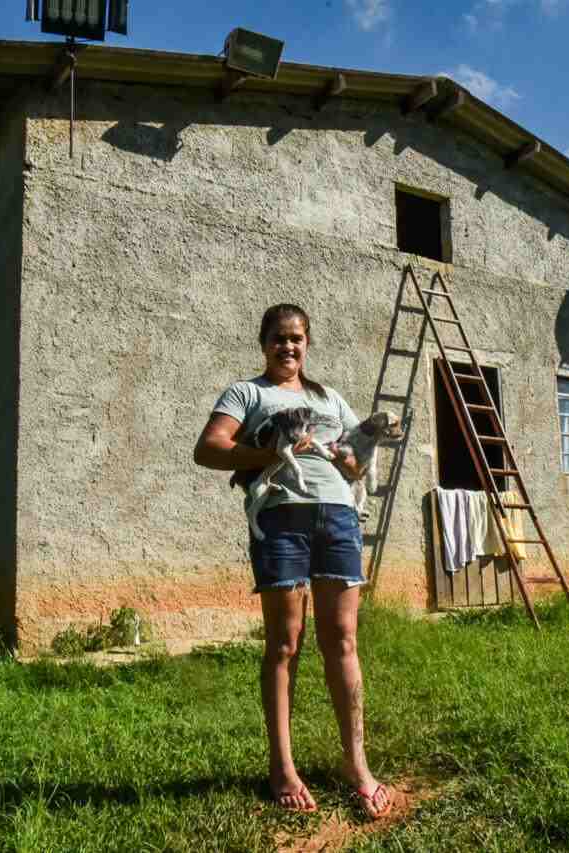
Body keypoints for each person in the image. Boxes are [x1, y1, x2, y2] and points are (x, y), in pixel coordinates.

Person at [193, 303, 392, 818]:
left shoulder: (329, 398)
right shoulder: (248, 393)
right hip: (281, 517)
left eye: (297, 338)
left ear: (307, 344)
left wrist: (360, 449)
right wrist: (273, 451)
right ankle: (282, 766)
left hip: (338, 517)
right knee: (284, 643)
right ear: (264, 343)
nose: (289, 346)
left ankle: (357, 765)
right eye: (279, 338)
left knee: (343, 640)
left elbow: (352, 461)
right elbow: (210, 448)